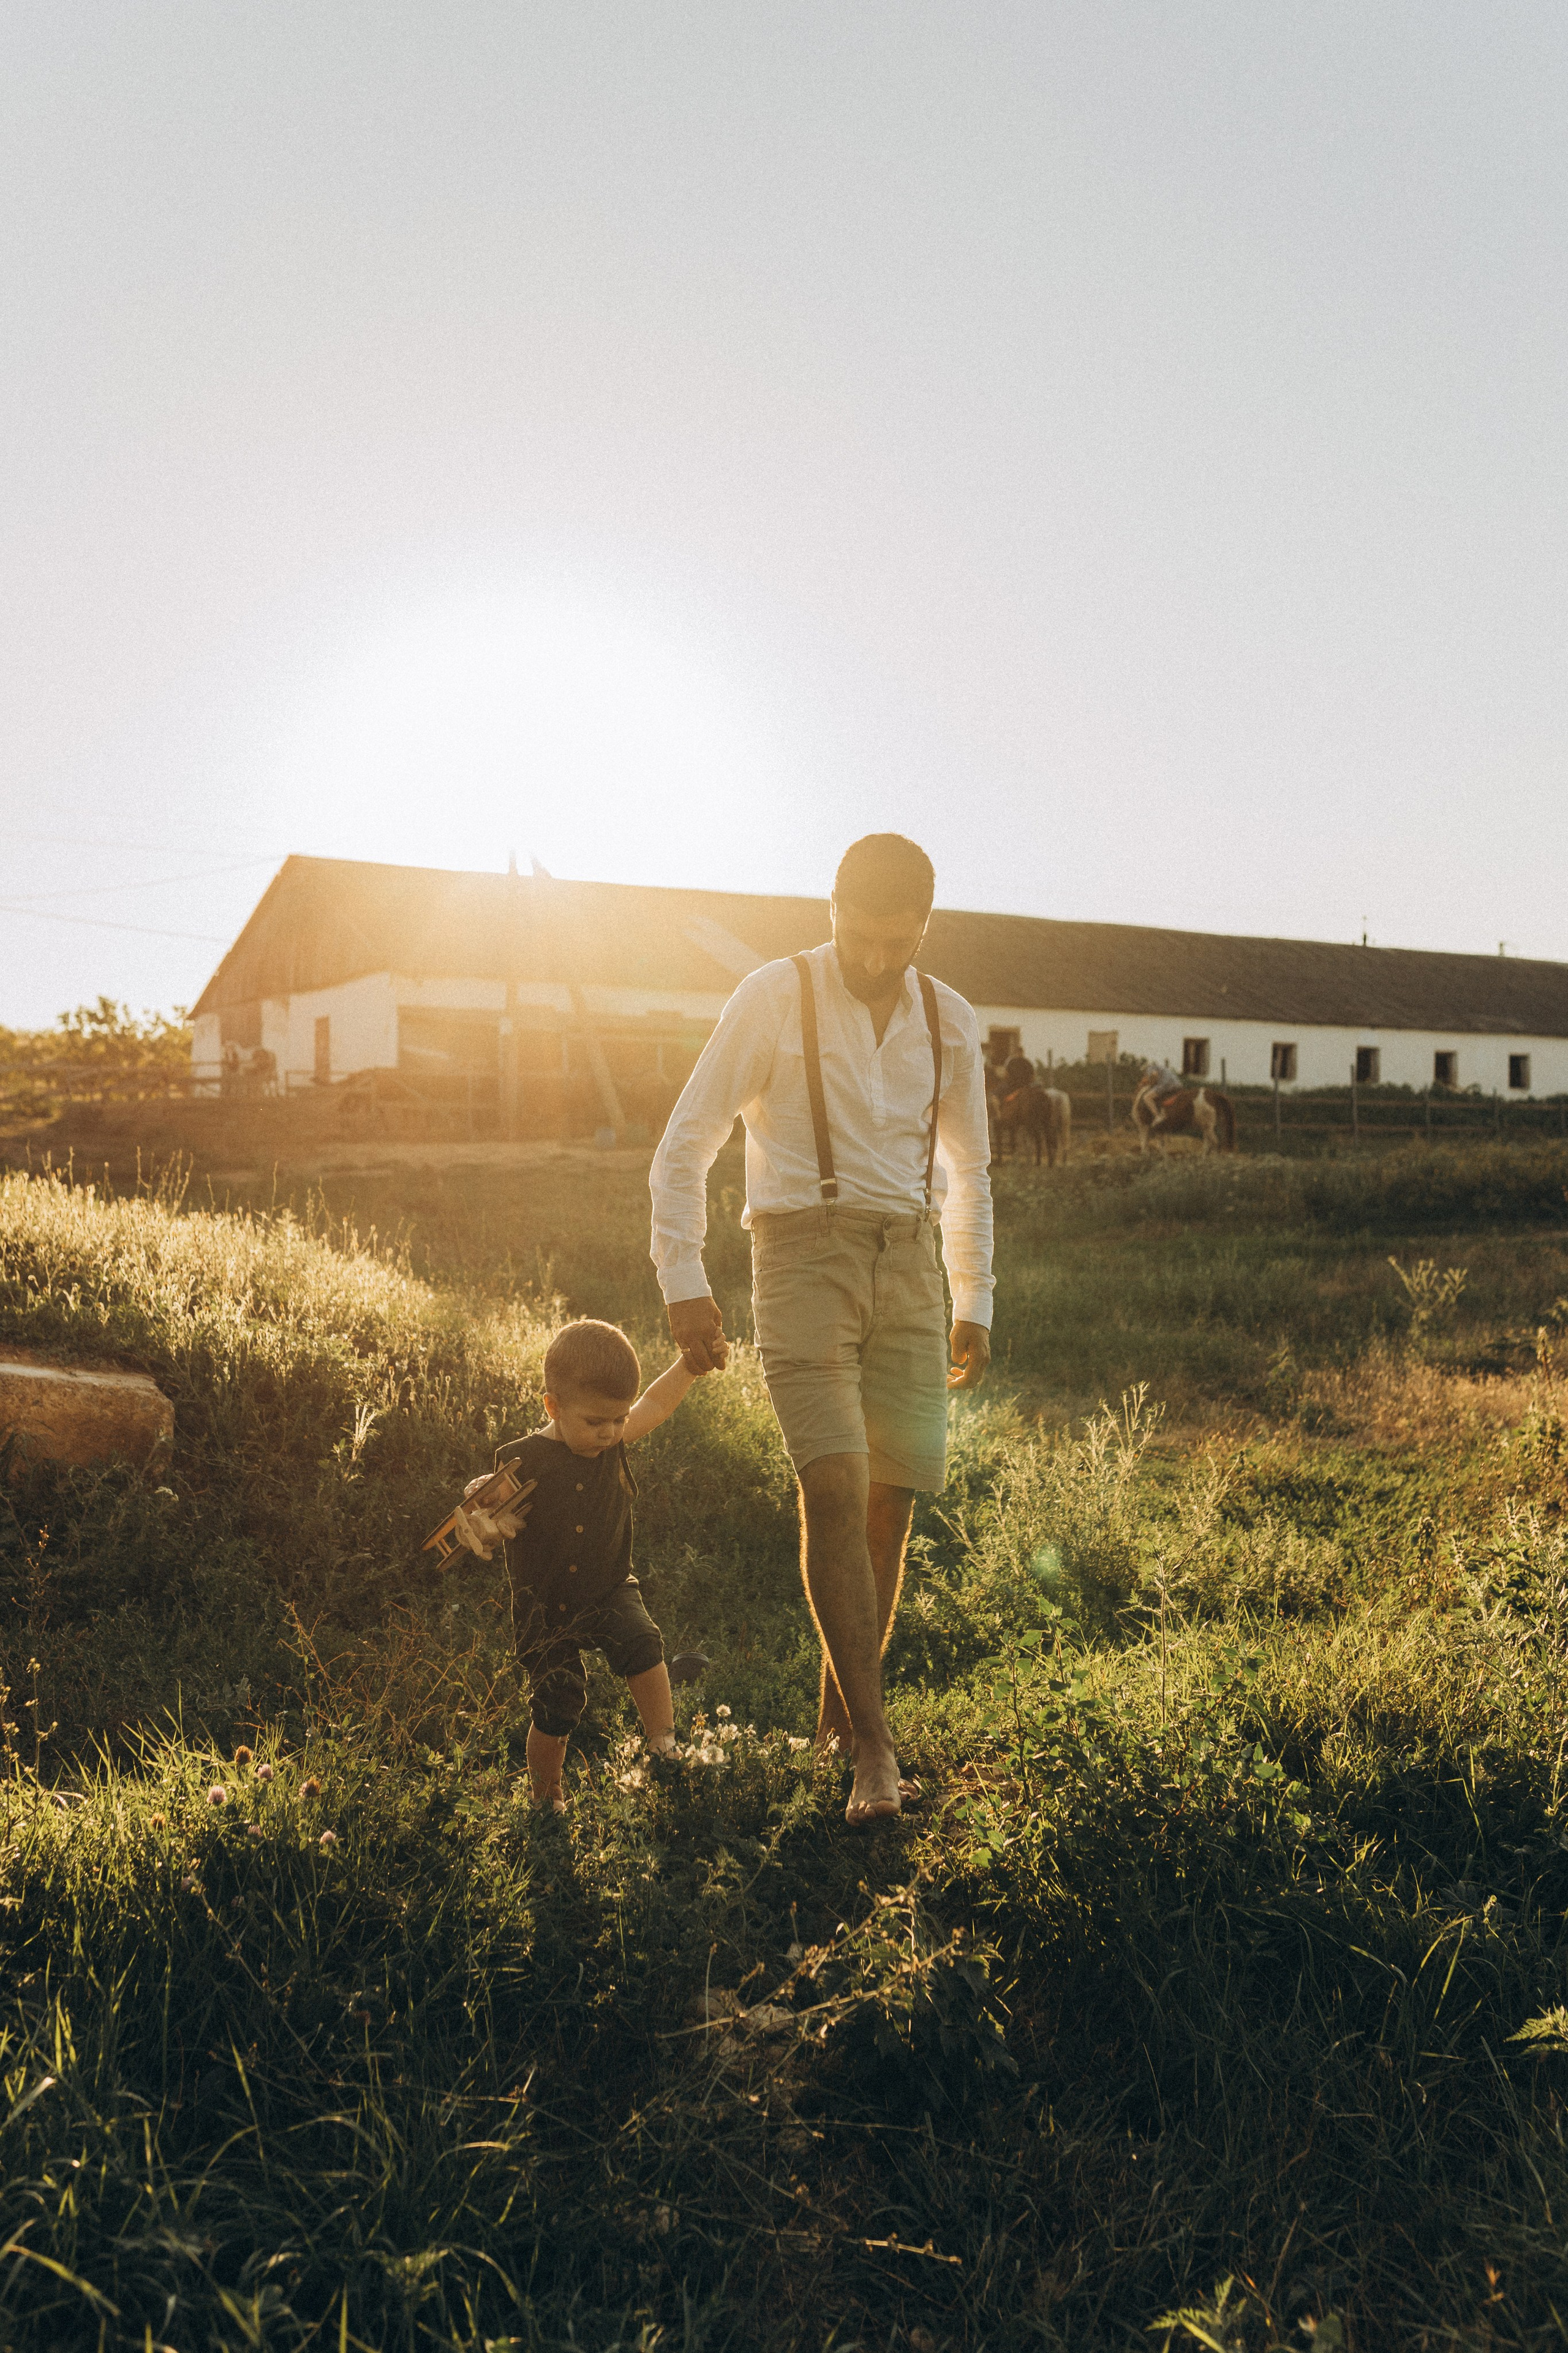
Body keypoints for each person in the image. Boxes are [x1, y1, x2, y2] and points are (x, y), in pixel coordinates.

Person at [649, 833, 994, 1827]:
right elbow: (688, 1140)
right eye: (862, 937)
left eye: (901, 942)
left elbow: (967, 1170)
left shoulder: (949, 1019)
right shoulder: (772, 995)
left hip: (912, 1264)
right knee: (833, 1485)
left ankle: (842, 1719)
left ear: (926, 928)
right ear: (832, 910)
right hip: (799, 1255)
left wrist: (975, 1299)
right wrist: (684, 1277)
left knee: (890, 1502)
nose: (880, 960)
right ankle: (877, 1753)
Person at [453, 1317, 717, 1812]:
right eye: (596, 1422)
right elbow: (486, 1501)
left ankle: (663, 1741)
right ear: (553, 1407)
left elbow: (655, 1404)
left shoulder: (614, 1437)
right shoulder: (524, 1459)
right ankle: (546, 1795)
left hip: (608, 1586)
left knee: (642, 1640)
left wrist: (688, 1365)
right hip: (544, 1606)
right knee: (558, 1699)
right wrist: (478, 1501)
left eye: (617, 1419)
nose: (610, 1432)